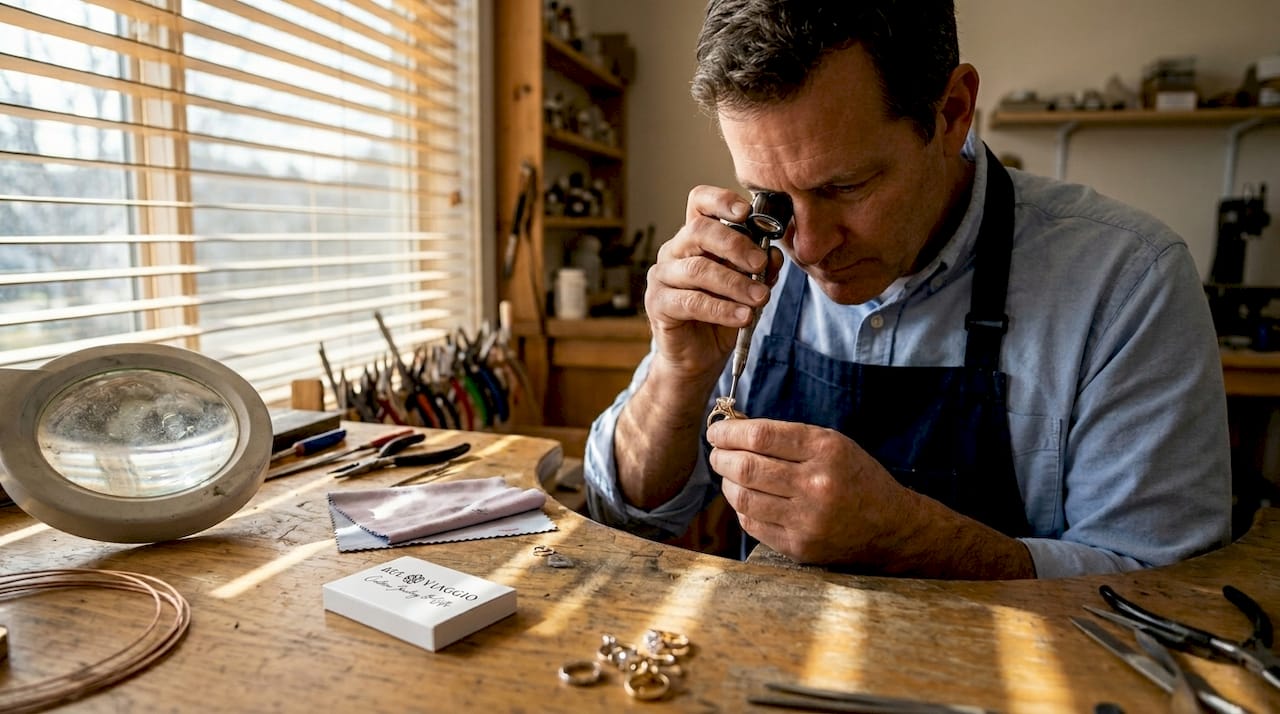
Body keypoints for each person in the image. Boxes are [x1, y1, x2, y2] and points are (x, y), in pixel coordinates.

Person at [582, 0, 1232, 579]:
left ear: (951, 113)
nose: (805, 247)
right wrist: (679, 373)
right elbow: (626, 513)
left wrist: (913, 540)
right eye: (773, 197)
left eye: (846, 187)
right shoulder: (748, 257)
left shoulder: (1127, 283)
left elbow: (1169, 593)